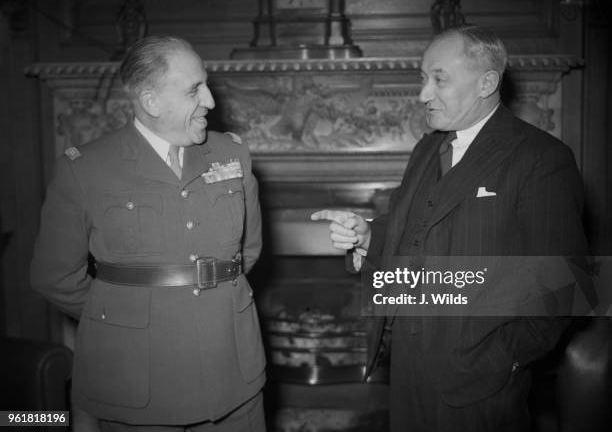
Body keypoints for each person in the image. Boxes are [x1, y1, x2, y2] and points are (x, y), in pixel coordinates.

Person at [312, 25, 589, 431]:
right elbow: (417, 226)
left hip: (480, 384)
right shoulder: (428, 147)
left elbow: (569, 283)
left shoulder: (541, 158)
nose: (423, 94)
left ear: (487, 83)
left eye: (438, 79)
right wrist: (369, 235)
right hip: (407, 371)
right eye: (422, 78)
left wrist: (503, 360)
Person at [30, 36, 266, 431]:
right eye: (194, 90)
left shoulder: (232, 155)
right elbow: (53, 276)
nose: (209, 100)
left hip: (232, 376)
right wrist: (127, 315)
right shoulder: (86, 169)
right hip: (135, 388)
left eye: (205, 85)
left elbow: (249, 251)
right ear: (151, 102)